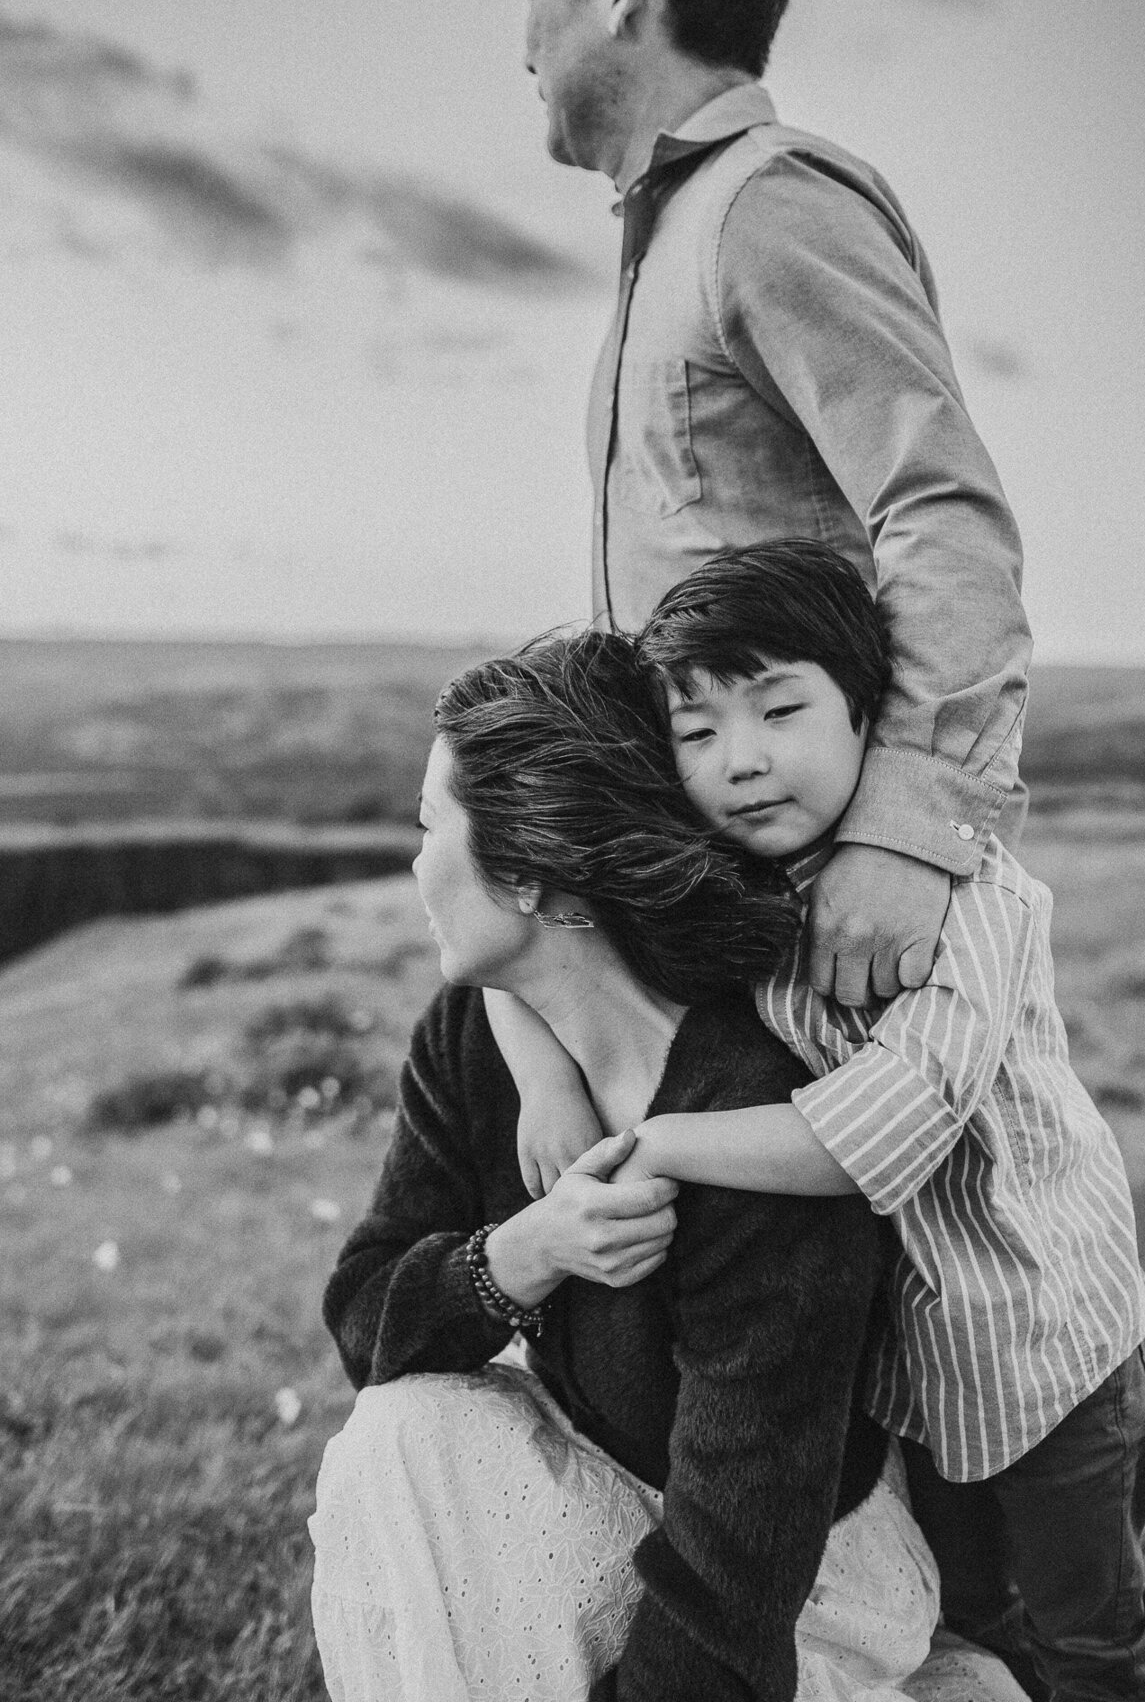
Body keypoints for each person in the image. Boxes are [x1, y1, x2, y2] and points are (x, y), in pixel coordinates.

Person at [506, 541, 1145, 1701]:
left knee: (1091, 1644)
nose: (744, 760)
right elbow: (515, 939)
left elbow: (881, 1134)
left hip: (1046, 1350)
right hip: (912, 1376)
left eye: (780, 709)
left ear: (869, 714)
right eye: (699, 732)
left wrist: (653, 1143)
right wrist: (544, 1082)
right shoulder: (736, 887)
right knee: (967, 1624)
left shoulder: (973, 896)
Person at [306, 631, 1009, 1702]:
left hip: (794, 1576)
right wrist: (520, 1255)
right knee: (397, 1439)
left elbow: (737, 1568)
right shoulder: (470, 1038)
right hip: (600, 1482)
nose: (413, 863)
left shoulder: (754, 1125)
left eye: (428, 827)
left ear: (534, 875)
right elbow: (366, 1321)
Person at [522, 0, 1032, 1015]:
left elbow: (943, 508)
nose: (523, 42)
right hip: (723, 904)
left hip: (837, 912)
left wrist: (908, 831)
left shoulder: (768, 204)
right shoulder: (673, 240)